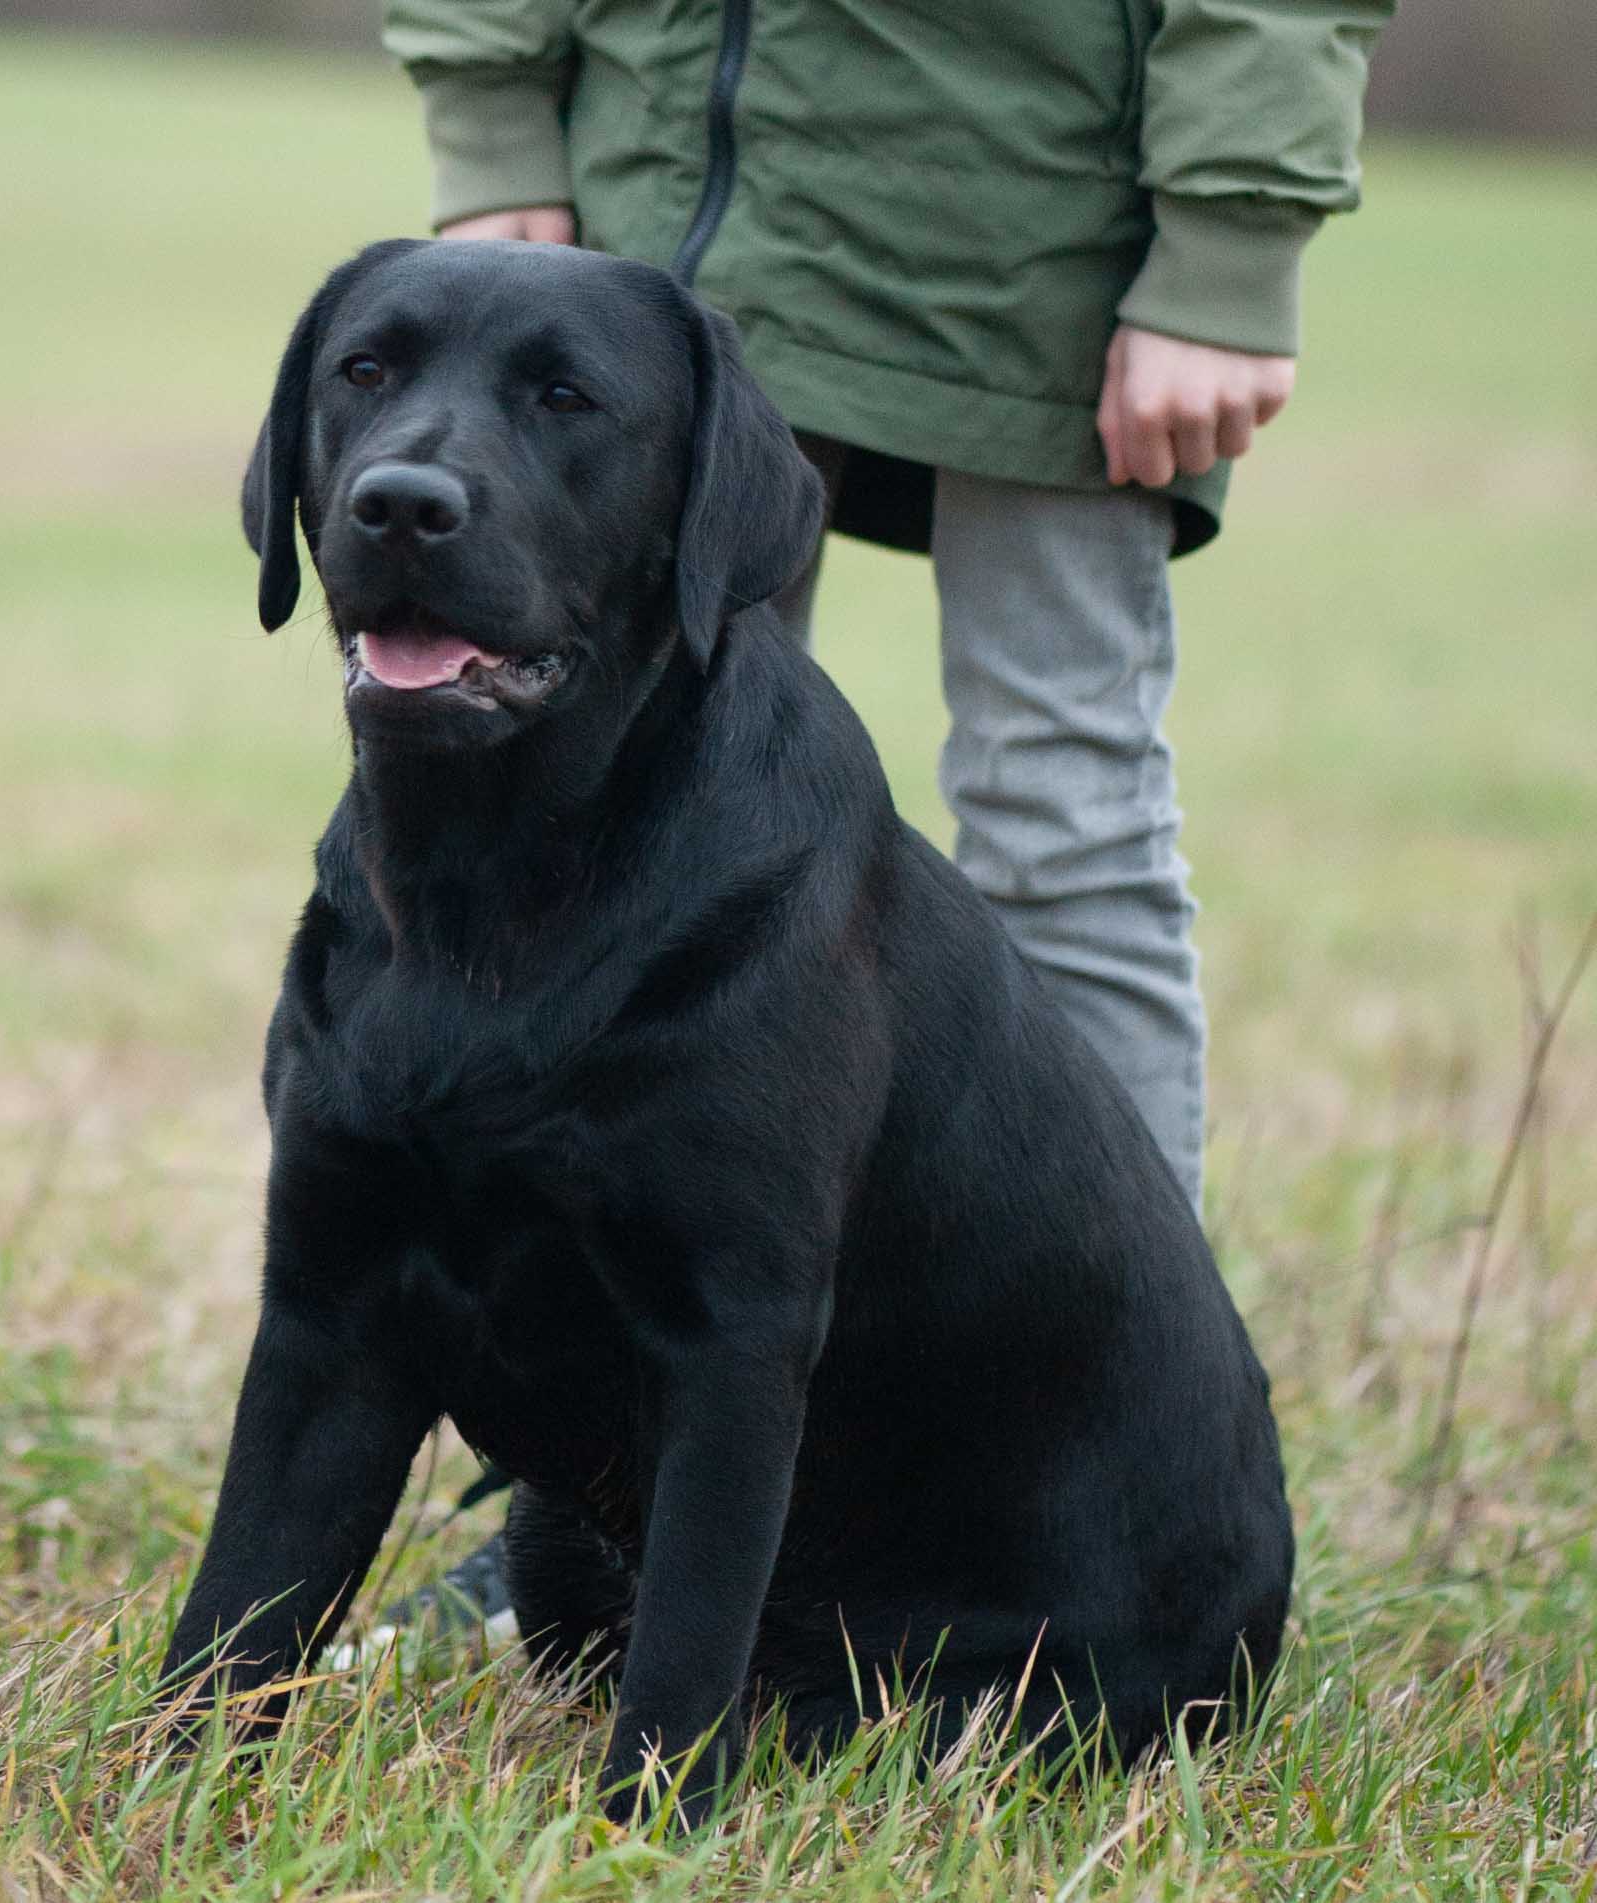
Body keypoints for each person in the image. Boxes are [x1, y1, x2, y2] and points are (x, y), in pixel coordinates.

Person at [374, 0, 1391, 1627]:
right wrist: (497, 105)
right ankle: (607, 1486)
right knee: (621, 810)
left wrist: (1230, 237)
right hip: (670, 199)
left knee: (1066, 819)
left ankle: (1114, 1459)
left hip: (1034, 222)